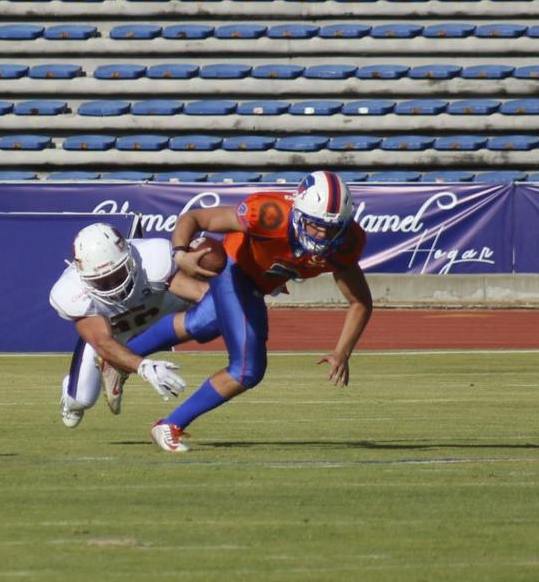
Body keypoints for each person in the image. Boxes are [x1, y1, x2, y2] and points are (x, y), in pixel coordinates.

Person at [142, 170, 374, 453]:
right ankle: (170, 424)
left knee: (201, 323)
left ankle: (118, 357)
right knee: (246, 370)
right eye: (315, 225)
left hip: (258, 284)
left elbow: (360, 301)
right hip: (234, 268)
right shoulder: (269, 213)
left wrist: (343, 351)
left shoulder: (348, 242)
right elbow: (196, 218)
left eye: (332, 227)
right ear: (299, 213)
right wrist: (180, 254)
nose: (323, 234)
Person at [49, 222, 210, 428]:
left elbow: (201, 293)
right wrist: (142, 366)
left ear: (130, 258)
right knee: (81, 400)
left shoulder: (153, 258)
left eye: (117, 275)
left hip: (163, 311)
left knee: (211, 315)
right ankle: (73, 394)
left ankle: (120, 365)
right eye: (102, 282)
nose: (114, 286)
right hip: (115, 331)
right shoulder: (71, 291)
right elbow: (102, 342)